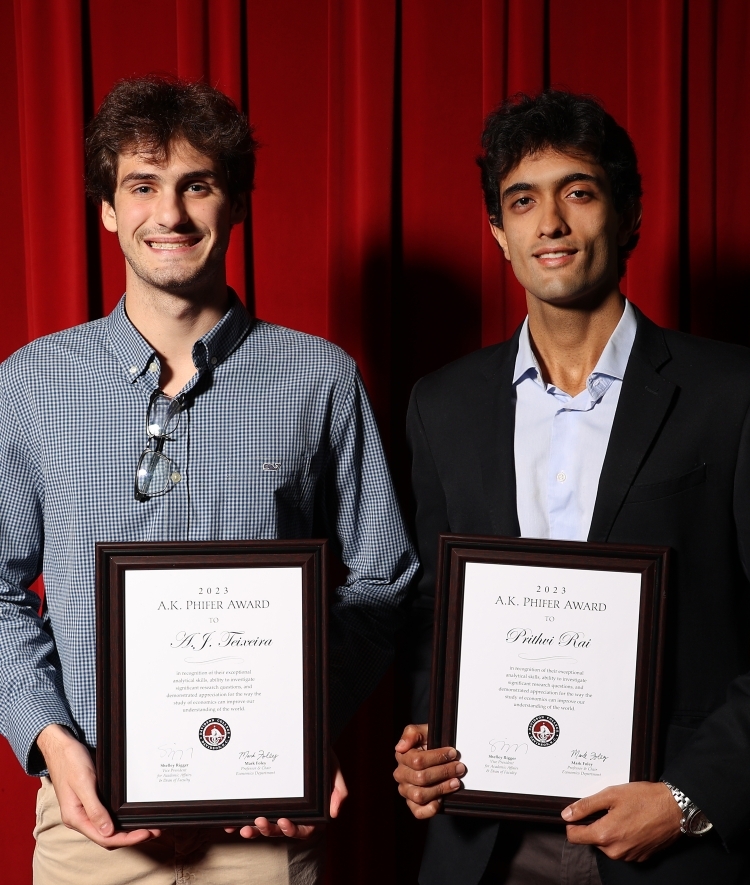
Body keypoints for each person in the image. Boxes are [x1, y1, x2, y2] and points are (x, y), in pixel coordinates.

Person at [0, 74, 417, 885]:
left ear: (236, 204)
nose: (171, 214)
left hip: (262, 821)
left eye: (198, 185)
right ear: (108, 209)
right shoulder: (31, 384)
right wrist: (50, 739)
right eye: (143, 186)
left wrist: (301, 725)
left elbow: (385, 577)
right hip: (91, 819)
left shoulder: (319, 378)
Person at [393, 89, 750, 883]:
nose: (549, 223)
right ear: (498, 233)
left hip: (667, 840)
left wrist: (691, 795)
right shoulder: (441, 404)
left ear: (628, 219)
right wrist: (428, 730)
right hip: (486, 841)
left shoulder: (732, 393)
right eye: (523, 201)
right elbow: (434, 612)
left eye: (577, 193)